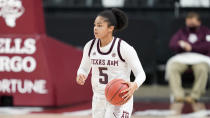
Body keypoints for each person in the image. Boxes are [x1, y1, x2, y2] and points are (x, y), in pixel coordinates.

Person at [76, 8, 146, 118]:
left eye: (99, 25)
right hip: (98, 97)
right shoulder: (90, 46)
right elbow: (83, 68)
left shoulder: (123, 48)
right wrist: (81, 74)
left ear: (110, 28)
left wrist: (134, 85)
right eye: (95, 25)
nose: (95, 28)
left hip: (119, 96)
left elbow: (141, 74)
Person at [166, 12, 210, 114]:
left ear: (199, 22)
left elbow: (208, 46)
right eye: (189, 22)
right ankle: (178, 95)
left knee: (202, 69)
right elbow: (172, 44)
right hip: (183, 58)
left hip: (200, 59)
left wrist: (192, 47)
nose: (190, 24)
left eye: (193, 22)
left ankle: (194, 96)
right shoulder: (181, 32)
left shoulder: (206, 32)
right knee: (173, 67)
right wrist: (181, 46)